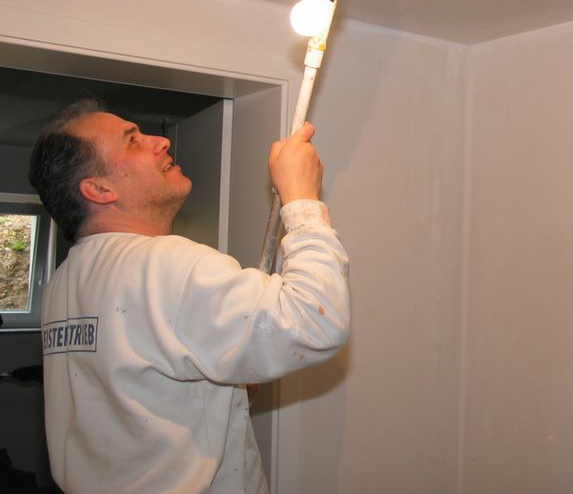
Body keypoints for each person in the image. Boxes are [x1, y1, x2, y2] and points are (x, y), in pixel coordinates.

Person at [28, 99, 350, 493]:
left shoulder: (64, 282)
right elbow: (314, 324)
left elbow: (133, 399)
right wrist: (301, 199)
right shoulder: (165, 264)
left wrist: (219, 395)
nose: (160, 141)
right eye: (132, 141)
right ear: (99, 189)